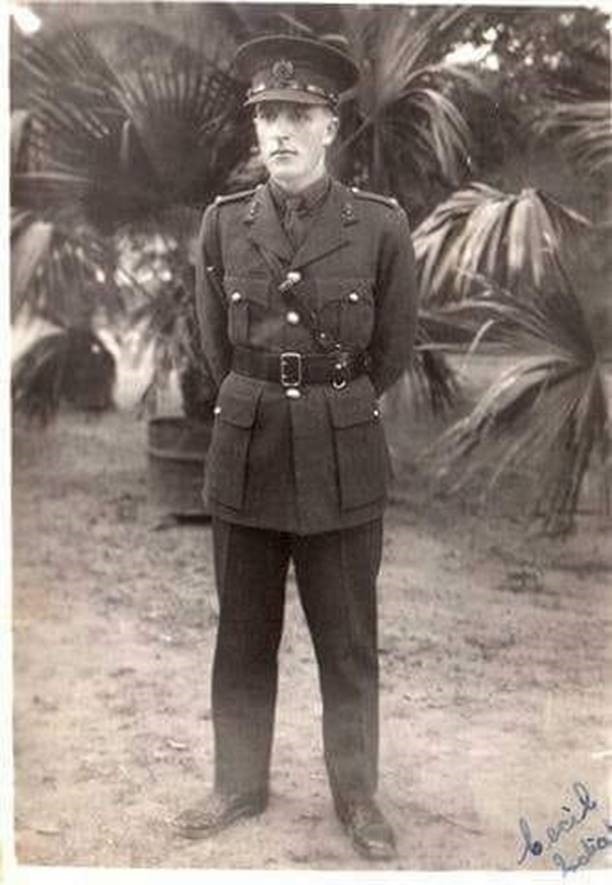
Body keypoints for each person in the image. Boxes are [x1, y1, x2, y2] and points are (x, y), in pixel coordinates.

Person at [175, 34, 419, 861]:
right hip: (245, 451)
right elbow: (218, 347)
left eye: (298, 114)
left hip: (341, 456)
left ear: (329, 128)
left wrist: (330, 406)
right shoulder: (222, 226)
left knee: (348, 640)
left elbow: (389, 352)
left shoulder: (379, 228)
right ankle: (237, 784)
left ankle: (356, 794)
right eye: (267, 115)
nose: (279, 129)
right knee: (242, 633)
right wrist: (265, 395)